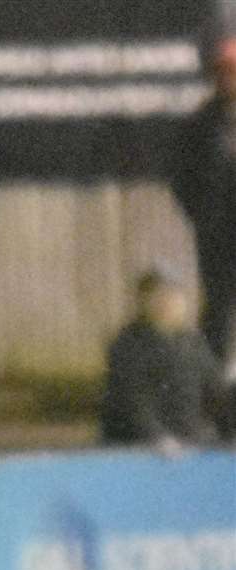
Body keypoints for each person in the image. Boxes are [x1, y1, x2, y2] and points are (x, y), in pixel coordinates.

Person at [168, 33, 236, 427]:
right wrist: (203, 215)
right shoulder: (201, 125)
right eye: (224, 73)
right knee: (218, 319)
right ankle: (214, 405)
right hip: (217, 239)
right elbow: (181, 178)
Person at [100, 265, 224, 450]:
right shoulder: (128, 345)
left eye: (173, 295)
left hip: (189, 441)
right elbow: (133, 400)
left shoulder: (193, 342)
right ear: (143, 301)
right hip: (137, 447)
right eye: (158, 295)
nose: (167, 301)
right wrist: (157, 437)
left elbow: (214, 388)